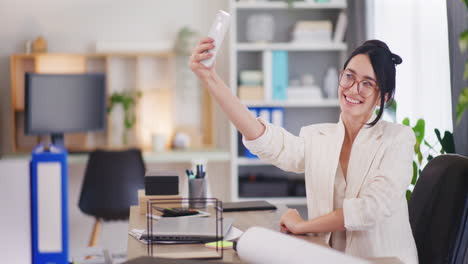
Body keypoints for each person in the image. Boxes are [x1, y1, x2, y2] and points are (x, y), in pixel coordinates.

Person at [189, 39, 418, 263]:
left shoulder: (398, 138)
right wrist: (210, 78)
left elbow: (371, 208)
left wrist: (304, 226)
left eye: (367, 83)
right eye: (349, 76)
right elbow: (269, 142)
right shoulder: (317, 136)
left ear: (383, 96)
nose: (353, 89)